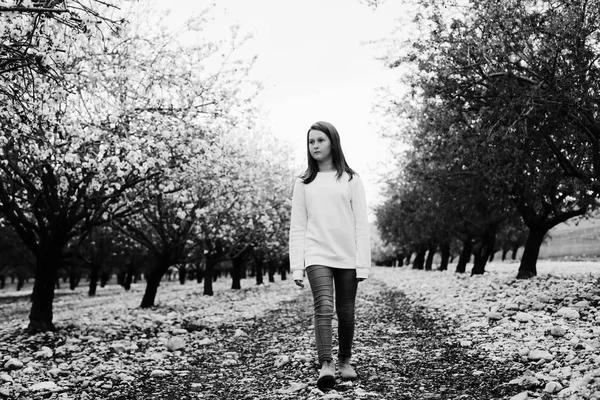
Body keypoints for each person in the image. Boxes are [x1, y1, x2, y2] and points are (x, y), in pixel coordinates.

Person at [288, 121, 371, 391]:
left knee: (345, 312)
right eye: (311, 142)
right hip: (316, 253)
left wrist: (363, 264)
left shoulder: (351, 179)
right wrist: (296, 267)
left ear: (332, 143)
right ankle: (326, 364)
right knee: (323, 307)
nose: (315, 146)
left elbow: (361, 224)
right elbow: (298, 225)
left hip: (347, 255)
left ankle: (345, 361)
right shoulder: (304, 182)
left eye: (320, 140)